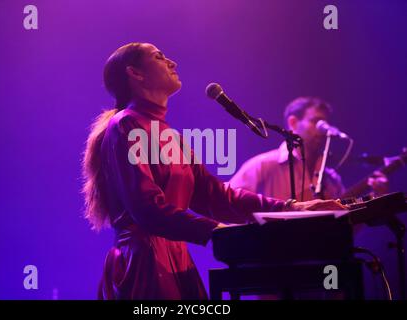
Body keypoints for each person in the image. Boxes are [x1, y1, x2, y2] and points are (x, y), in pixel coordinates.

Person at [81, 43, 345, 300]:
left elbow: (216, 195)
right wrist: (216, 230)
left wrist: (292, 208)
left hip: (175, 259)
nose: (172, 62)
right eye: (160, 56)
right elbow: (146, 207)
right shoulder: (127, 123)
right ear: (135, 73)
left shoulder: (168, 134)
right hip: (145, 262)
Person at [229, 97, 388, 201]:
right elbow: (228, 202)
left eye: (326, 124)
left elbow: (345, 231)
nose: (323, 129)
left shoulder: (332, 180)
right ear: (293, 123)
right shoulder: (263, 165)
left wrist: (377, 198)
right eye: (316, 122)